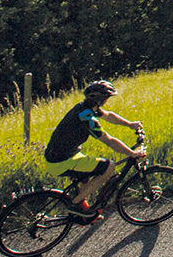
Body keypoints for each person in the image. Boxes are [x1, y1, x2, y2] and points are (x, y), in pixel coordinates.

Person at [43, 79, 144, 217]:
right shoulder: (87, 119)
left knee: (88, 173)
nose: (107, 101)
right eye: (106, 98)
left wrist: (130, 124)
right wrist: (131, 153)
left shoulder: (85, 108)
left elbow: (108, 115)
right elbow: (109, 141)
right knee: (109, 167)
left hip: (62, 156)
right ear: (99, 99)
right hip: (61, 162)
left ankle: (83, 208)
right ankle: (76, 204)